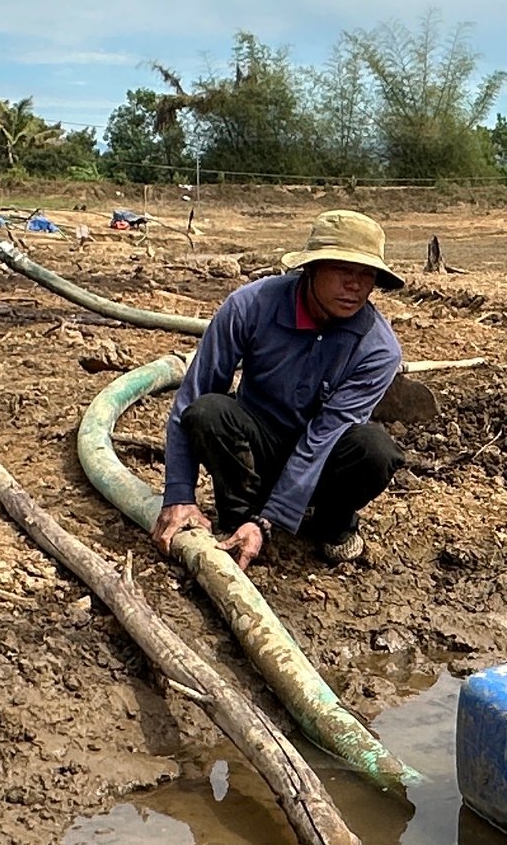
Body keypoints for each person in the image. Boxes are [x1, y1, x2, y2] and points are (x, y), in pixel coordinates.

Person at [155, 208, 406, 572]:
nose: (355, 285)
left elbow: (323, 437)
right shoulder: (250, 305)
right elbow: (193, 396)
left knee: (375, 449)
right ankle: (237, 519)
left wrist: (269, 522)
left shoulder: (378, 349)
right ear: (312, 268)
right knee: (208, 411)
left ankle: (332, 524)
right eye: (343, 271)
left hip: (323, 465)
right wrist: (178, 493)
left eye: (367, 275)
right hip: (256, 449)